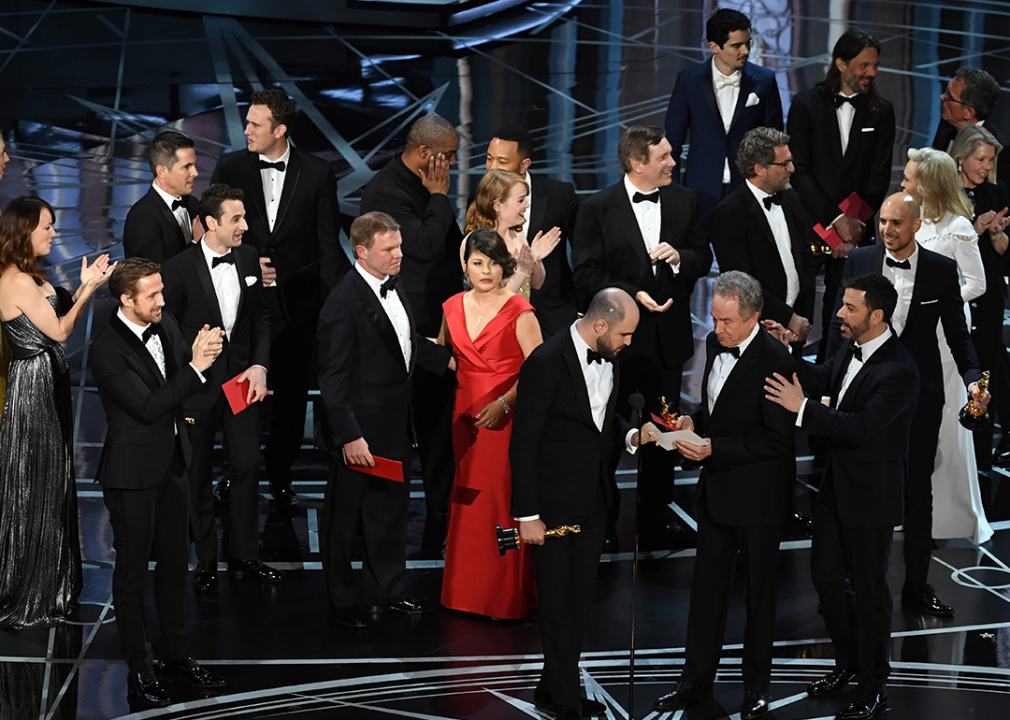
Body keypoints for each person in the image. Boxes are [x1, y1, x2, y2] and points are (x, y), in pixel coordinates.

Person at [766, 274, 919, 720]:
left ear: (876, 315)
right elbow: (820, 376)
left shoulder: (900, 370)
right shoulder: (850, 348)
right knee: (827, 579)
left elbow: (860, 427)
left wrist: (803, 410)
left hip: (871, 497)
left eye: (849, 308)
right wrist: (786, 349)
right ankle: (849, 663)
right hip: (836, 487)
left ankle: (874, 684)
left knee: (870, 592)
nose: (838, 314)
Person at [826, 193, 986, 619]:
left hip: (920, 397)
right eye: (882, 222)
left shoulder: (940, 269)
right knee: (851, 483)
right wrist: (828, 385)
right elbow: (835, 323)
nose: (887, 230)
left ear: (917, 225)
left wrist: (972, 380)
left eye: (896, 223)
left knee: (918, 489)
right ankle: (845, 585)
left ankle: (916, 584)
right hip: (862, 392)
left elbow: (958, 334)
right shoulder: (860, 260)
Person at [510, 288, 659, 720]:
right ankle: (567, 702)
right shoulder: (544, 363)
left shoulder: (610, 358)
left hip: (595, 500)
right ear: (600, 325)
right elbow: (524, 443)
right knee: (557, 606)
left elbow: (600, 419)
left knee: (577, 603)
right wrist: (528, 515)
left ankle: (551, 687)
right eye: (625, 334)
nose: (629, 342)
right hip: (552, 507)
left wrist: (632, 436)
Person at [652, 272, 795, 720]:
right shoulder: (716, 344)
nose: (718, 330)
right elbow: (716, 406)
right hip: (715, 493)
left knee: (759, 598)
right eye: (714, 319)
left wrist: (716, 447)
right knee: (706, 594)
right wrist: (694, 424)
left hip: (758, 500)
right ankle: (694, 681)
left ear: (755, 317)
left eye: (728, 322)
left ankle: (756, 689)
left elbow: (776, 439)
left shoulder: (775, 360)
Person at [90, 258, 227, 707]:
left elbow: (181, 383)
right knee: (132, 576)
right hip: (131, 474)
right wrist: (196, 366)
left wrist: (201, 364)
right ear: (126, 299)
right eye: (151, 294)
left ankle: (177, 655)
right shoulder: (107, 349)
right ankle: (139, 668)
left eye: (161, 291)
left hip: (172, 464)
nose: (162, 301)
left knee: (174, 567)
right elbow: (149, 406)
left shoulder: (165, 321)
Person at [211, 88, 351, 512]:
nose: (247, 130)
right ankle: (235, 475)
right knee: (239, 394)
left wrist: (332, 310)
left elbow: (327, 245)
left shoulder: (317, 173)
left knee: (290, 400)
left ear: (280, 129)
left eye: (255, 124)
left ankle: (280, 475)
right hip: (245, 305)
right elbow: (215, 237)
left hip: (299, 307)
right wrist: (250, 267)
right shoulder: (231, 166)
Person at [572, 124, 711, 548]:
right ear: (637, 163)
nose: (673, 162)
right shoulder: (597, 207)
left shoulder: (685, 201)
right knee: (609, 437)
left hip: (666, 345)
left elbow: (702, 258)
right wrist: (635, 296)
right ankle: (602, 524)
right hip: (616, 346)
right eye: (664, 157)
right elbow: (586, 275)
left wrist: (679, 258)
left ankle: (654, 522)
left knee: (664, 435)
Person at [317, 211, 453, 628]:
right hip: (359, 434)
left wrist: (449, 360)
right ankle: (341, 601)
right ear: (362, 252)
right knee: (345, 519)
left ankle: (387, 592)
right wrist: (350, 437)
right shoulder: (342, 303)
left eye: (398, 245)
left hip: (394, 425)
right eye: (389, 249)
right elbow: (333, 380)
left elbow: (404, 341)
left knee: (390, 513)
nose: (399, 254)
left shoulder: (394, 286)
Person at [161, 184, 284, 592]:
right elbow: (167, 329)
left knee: (247, 466)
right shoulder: (177, 268)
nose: (245, 226)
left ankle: (246, 555)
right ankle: (207, 559)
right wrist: (189, 364)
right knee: (197, 474)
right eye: (236, 219)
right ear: (211, 223)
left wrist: (260, 365)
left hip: (241, 382)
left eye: (245, 217)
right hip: (198, 388)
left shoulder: (248, 258)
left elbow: (260, 319)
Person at [0, 196, 112, 628]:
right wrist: (88, 290)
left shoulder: (32, 278)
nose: (52, 234)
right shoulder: (18, 282)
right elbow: (61, 331)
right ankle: (32, 589)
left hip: (46, 384)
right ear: (24, 231)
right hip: (33, 390)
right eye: (46, 227)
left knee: (51, 479)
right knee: (37, 482)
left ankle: (51, 585)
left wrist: (79, 288)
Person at [359, 114, 461, 543]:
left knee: (438, 425)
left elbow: (451, 243)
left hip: (438, 322)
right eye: (448, 157)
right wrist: (439, 197)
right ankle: (383, 513)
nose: (451, 166)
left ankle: (441, 510)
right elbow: (420, 245)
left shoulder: (421, 186)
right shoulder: (385, 191)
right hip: (406, 327)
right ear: (424, 153)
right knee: (400, 426)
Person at [438, 228, 542, 619]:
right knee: (467, 497)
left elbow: (538, 371)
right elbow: (445, 355)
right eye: (478, 263)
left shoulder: (520, 310)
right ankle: (463, 593)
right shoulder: (450, 307)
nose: (486, 271)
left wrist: (503, 403)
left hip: (505, 420)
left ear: (506, 266)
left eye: (494, 263)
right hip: (464, 419)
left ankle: (503, 597)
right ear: (465, 266)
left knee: (501, 498)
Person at [901, 149, 993, 550]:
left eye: (908, 179)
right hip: (914, 338)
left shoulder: (958, 227)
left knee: (944, 429)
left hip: (946, 341)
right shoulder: (912, 223)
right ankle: (916, 510)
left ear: (928, 183)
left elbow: (977, 283)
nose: (903, 184)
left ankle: (949, 515)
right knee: (914, 426)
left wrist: (939, 299)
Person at [787, 28, 895, 362]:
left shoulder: (882, 111)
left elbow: (877, 180)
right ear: (840, 63)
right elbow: (799, 170)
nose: (872, 73)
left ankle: (831, 385)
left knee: (847, 312)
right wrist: (834, 223)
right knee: (798, 307)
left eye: (875, 66)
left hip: (856, 231)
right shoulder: (805, 104)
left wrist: (851, 227)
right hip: (810, 227)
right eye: (864, 65)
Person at [664, 7, 784, 220]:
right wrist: (671, 189)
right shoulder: (689, 81)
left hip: (749, 187)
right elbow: (672, 139)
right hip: (700, 188)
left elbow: (774, 140)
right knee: (699, 251)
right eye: (736, 45)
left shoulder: (764, 80)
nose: (745, 51)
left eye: (748, 43)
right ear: (714, 47)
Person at [710, 127, 815, 345]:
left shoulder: (792, 199)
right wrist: (788, 317)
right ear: (760, 169)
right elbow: (743, 284)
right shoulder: (729, 213)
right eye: (784, 164)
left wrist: (802, 317)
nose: (792, 168)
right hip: (756, 330)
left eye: (791, 161)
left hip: (796, 327)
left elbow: (805, 259)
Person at [948, 125, 1010, 468]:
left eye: (990, 160)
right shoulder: (945, 196)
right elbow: (944, 249)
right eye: (980, 159)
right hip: (954, 294)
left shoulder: (996, 193)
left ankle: (980, 454)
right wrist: (975, 229)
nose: (986, 167)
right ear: (961, 158)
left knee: (986, 370)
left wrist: (998, 233)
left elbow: (1003, 250)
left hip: (986, 298)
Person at [484, 125, 579, 336]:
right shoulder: (481, 196)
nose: (492, 167)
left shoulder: (559, 195)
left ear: (524, 165)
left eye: (502, 161)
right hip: (497, 319)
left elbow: (583, 255)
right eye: (489, 158)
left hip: (552, 315)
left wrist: (583, 309)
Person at [463, 169, 561, 301]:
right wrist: (522, 270)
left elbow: (537, 284)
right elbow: (491, 302)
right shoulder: (474, 243)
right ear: (498, 205)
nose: (527, 205)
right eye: (521, 200)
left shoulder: (517, 233)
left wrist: (536, 259)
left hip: (523, 318)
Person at [123, 131, 201, 262]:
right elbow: (158, 274)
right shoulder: (141, 218)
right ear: (162, 171)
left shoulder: (192, 203)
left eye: (194, 165)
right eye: (187, 166)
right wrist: (196, 244)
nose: (195, 173)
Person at [932, 67, 1007, 188]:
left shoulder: (1000, 151)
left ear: (968, 112)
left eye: (949, 96)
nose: (942, 97)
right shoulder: (946, 124)